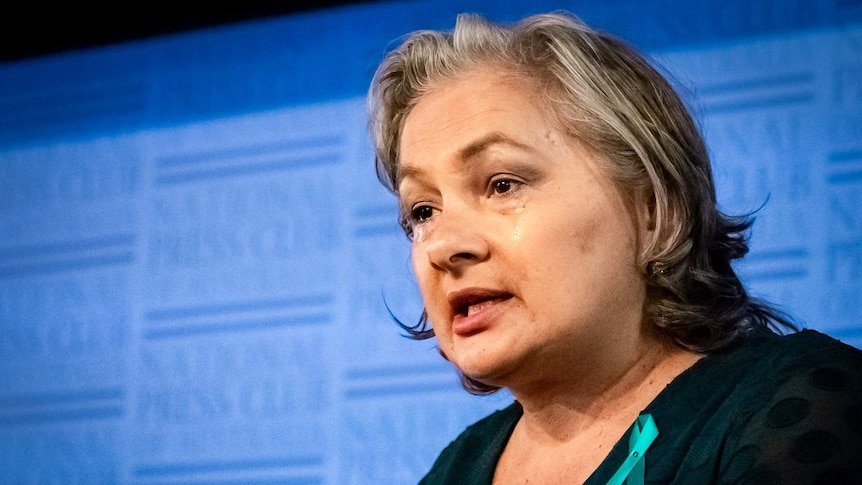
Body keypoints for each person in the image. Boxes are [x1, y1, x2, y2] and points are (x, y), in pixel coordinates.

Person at [367, 11, 862, 485]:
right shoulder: (456, 468)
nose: (445, 247)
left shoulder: (802, 402)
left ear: (652, 208)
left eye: (502, 184)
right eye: (422, 212)